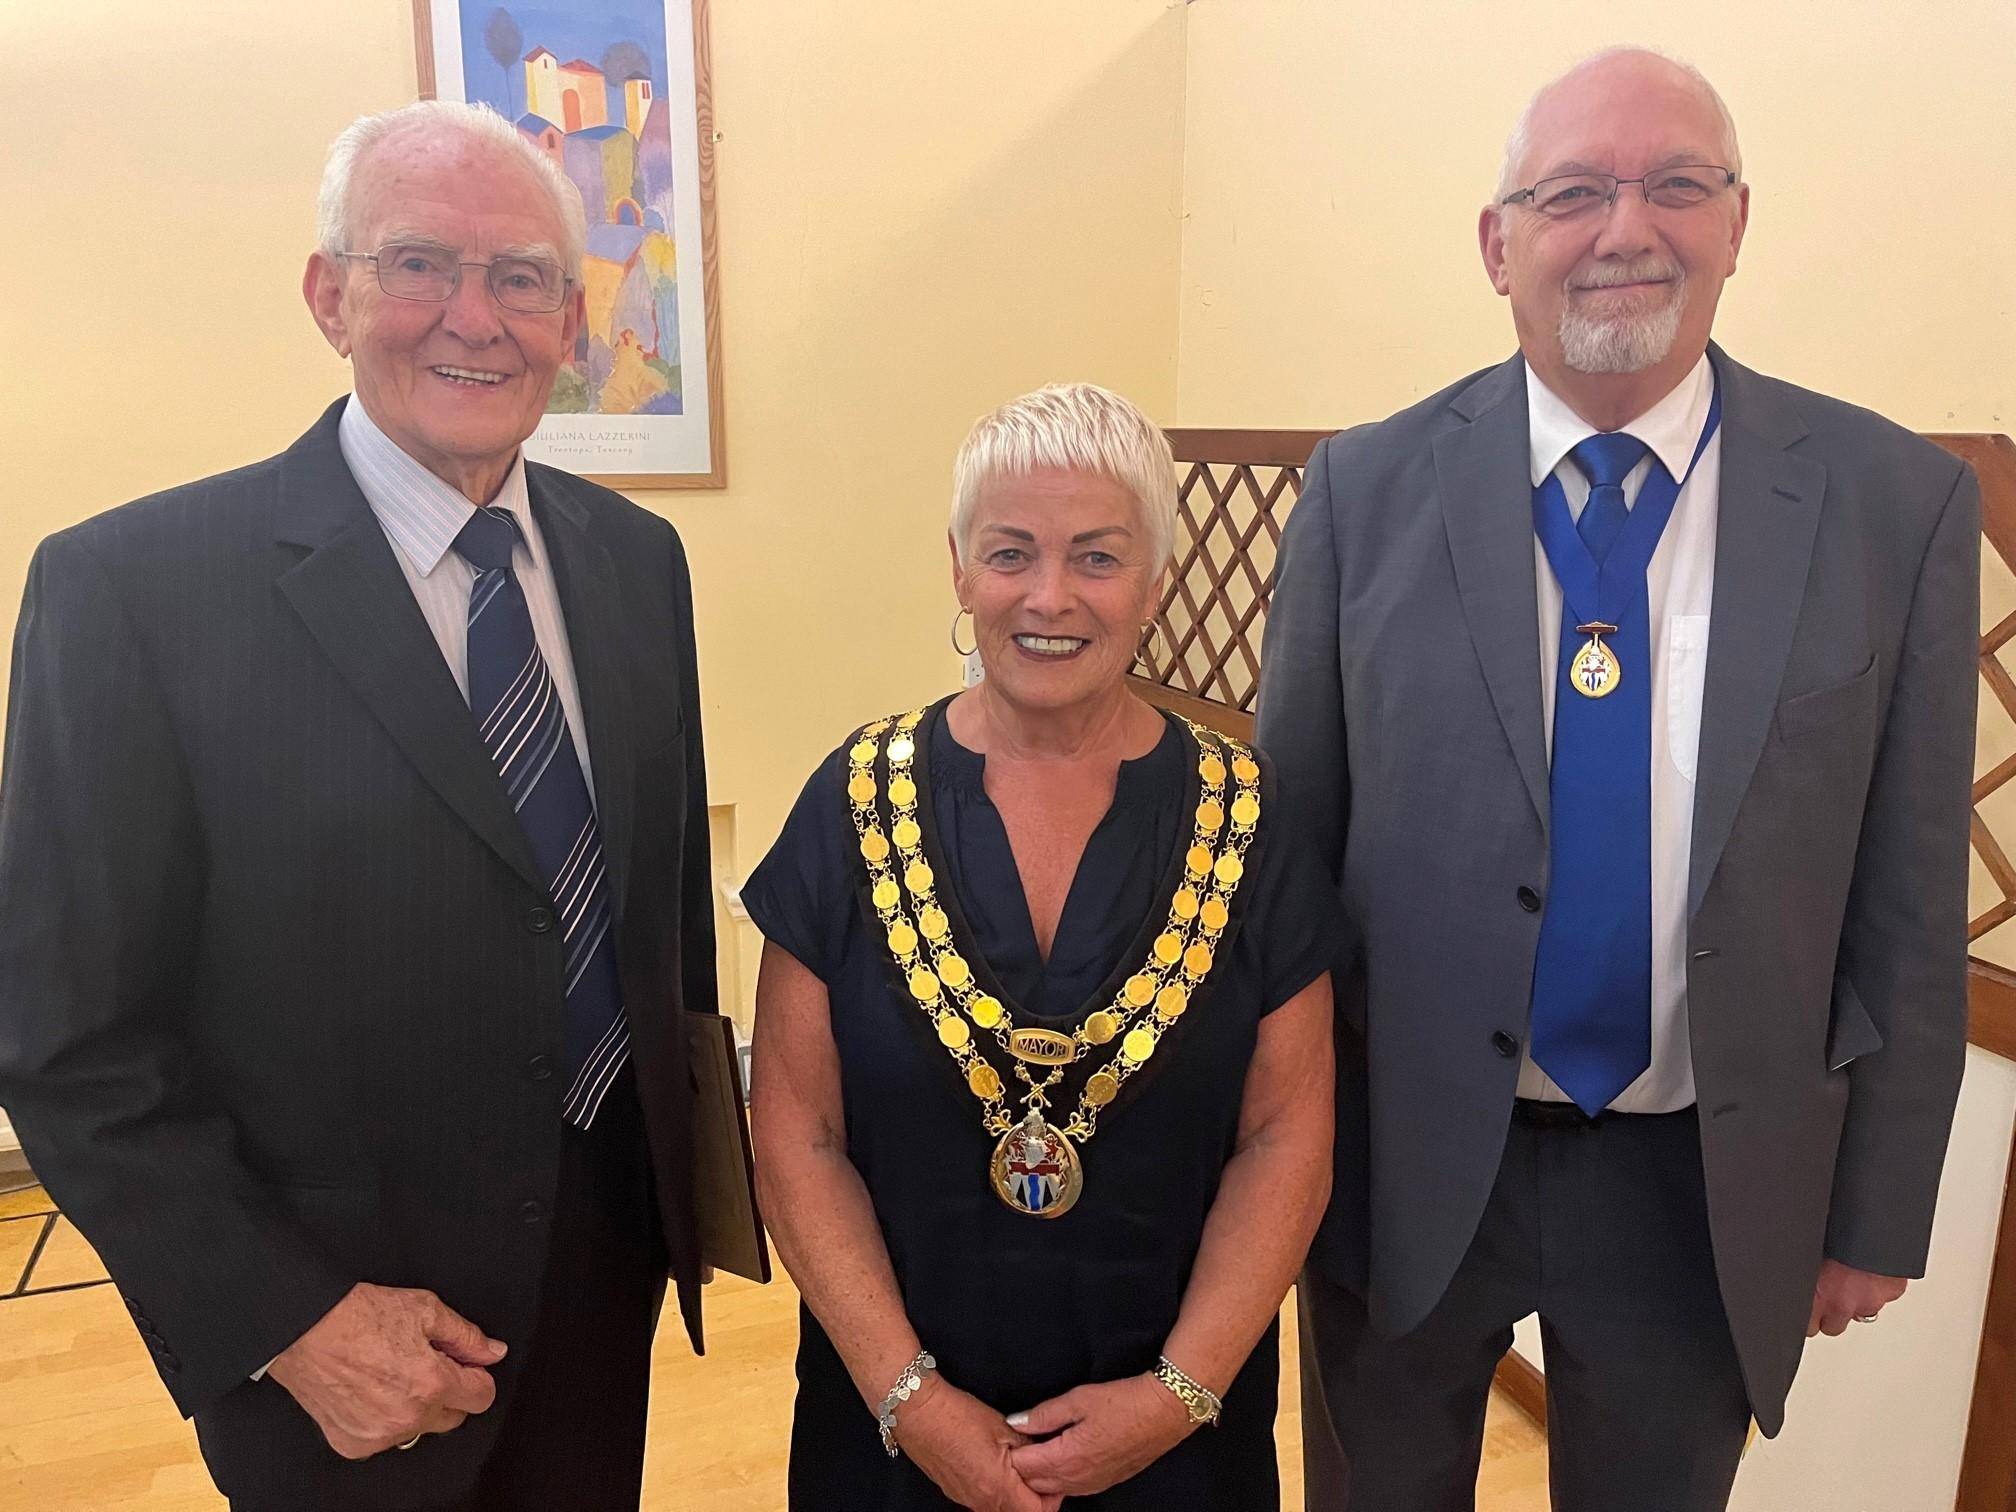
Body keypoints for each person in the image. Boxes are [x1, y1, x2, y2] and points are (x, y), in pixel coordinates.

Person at [1259, 47, 1980, 1512]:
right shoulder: (1363, 492)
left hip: (1698, 1189)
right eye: (1573, 192)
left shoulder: (1890, 504)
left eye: (1676, 187)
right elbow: (1290, 874)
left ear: (1737, 223)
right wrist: (1260, 1163)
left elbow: (1909, 900)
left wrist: (1878, 1206)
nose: (1625, 230)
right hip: (1402, 1170)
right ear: (1498, 242)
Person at [0, 100, 720, 1511]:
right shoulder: (132, 594)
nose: (475, 315)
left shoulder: (640, 566)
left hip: (598, 1291)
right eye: (418, 264)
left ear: (570, 322)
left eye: (519, 278)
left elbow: (656, 923)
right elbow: (69, 1043)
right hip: (334, 1355)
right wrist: (286, 1323)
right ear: (331, 295)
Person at [744, 383, 1336, 1510]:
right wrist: (909, 1399)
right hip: (892, 1430)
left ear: (1156, 580)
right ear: (960, 570)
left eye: (1098, 557)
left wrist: (1179, 1393)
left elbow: (1286, 1138)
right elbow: (796, 1134)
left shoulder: (1249, 821)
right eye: (1010, 553)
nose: (1049, 596)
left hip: (1179, 1438)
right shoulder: (853, 801)